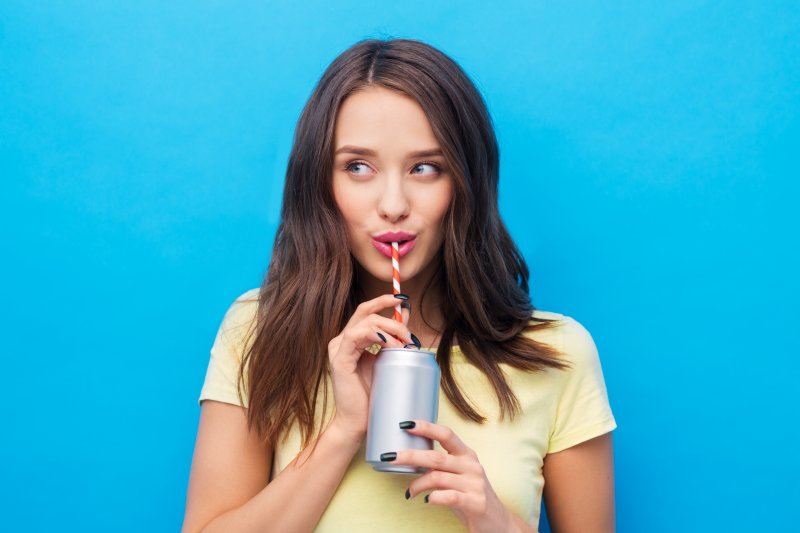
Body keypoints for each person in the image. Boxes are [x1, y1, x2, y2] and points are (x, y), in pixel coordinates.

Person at [182, 38, 616, 533]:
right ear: (321, 182)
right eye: (358, 167)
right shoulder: (260, 329)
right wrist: (345, 432)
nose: (393, 204)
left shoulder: (559, 352)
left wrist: (495, 520)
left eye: (425, 167)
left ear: (466, 182)